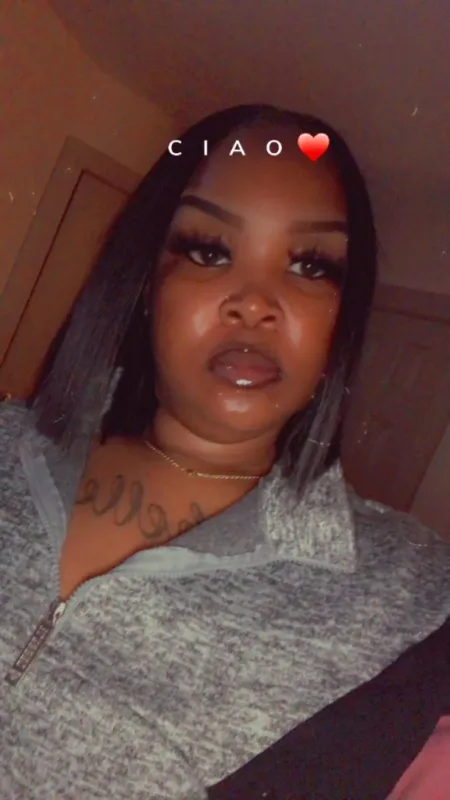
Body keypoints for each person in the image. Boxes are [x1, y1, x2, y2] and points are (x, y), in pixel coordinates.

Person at [0, 104, 449, 800]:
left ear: (341, 321)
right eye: (209, 250)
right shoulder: (10, 444)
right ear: (148, 285)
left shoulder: (413, 599)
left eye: (311, 265)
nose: (256, 303)